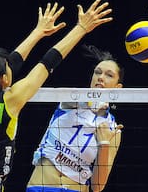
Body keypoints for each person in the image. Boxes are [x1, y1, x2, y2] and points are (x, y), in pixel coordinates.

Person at [0, 0, 113, 192]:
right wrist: (81, 28)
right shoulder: (9, 101)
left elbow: (10, 64)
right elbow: (48, 62)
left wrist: (38, 32)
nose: (12, 67)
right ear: (4, 80)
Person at [26, 44, 124, 192]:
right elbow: (70, 98)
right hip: (42, 186)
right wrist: (91, 102)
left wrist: (104, 143)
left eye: (109, 75)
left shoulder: (112, 129)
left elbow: (97, 187)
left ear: (118, 88)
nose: (101, 78)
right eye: (97, 73)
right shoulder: (71, 101)